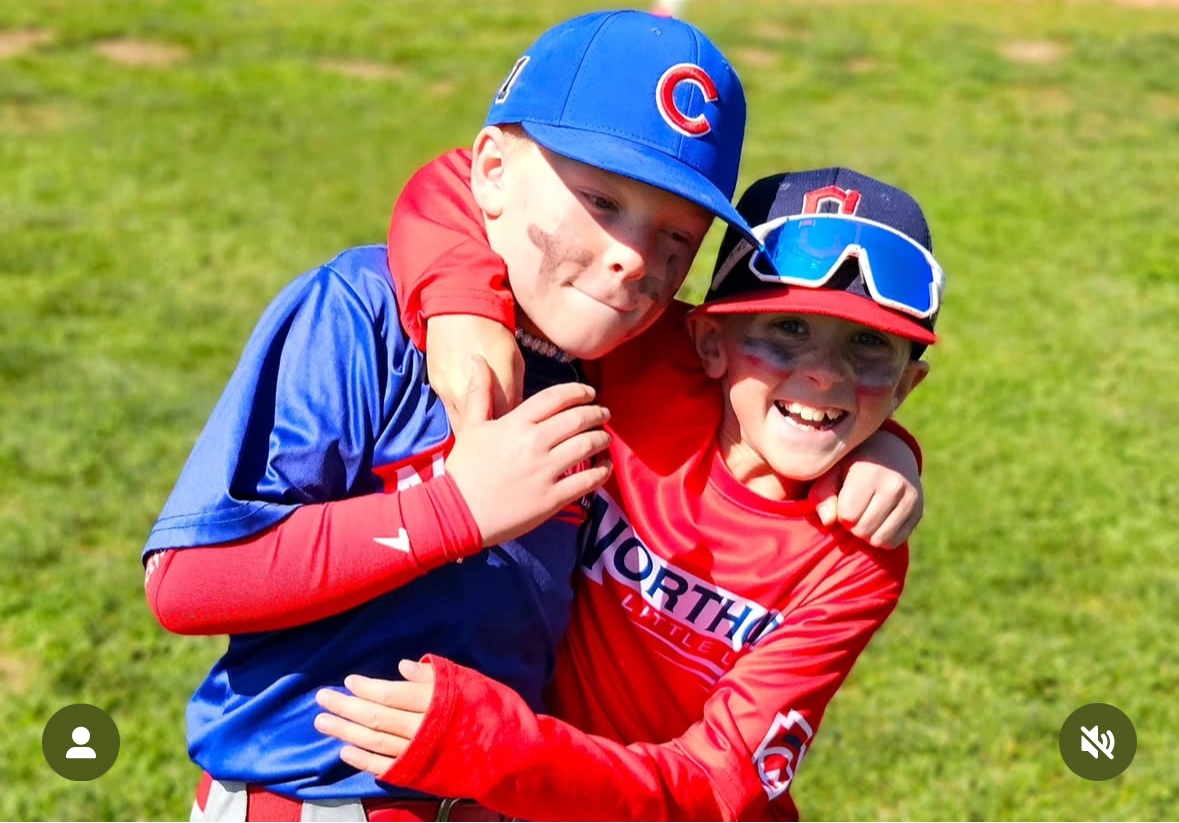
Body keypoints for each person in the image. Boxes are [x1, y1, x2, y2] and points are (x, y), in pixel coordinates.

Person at [144, 8, 922, 820]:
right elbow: (186, 580)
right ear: (491, 170)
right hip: (304, 798)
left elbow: (794, 388)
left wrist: (885, 449)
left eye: (676, 236)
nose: (632, 256)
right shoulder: (359, 312)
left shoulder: (621, 354)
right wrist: (452, 510)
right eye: (599, 199)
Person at [314, 167, 946, 821]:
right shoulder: (641, 358)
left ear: (906, 384)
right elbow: (454, 185)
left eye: (869, 344)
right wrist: (459, 309)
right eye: (786, 329)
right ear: (707, 339)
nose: (823, 372)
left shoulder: (854, 560)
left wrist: (500, 750)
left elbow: (719, 782)